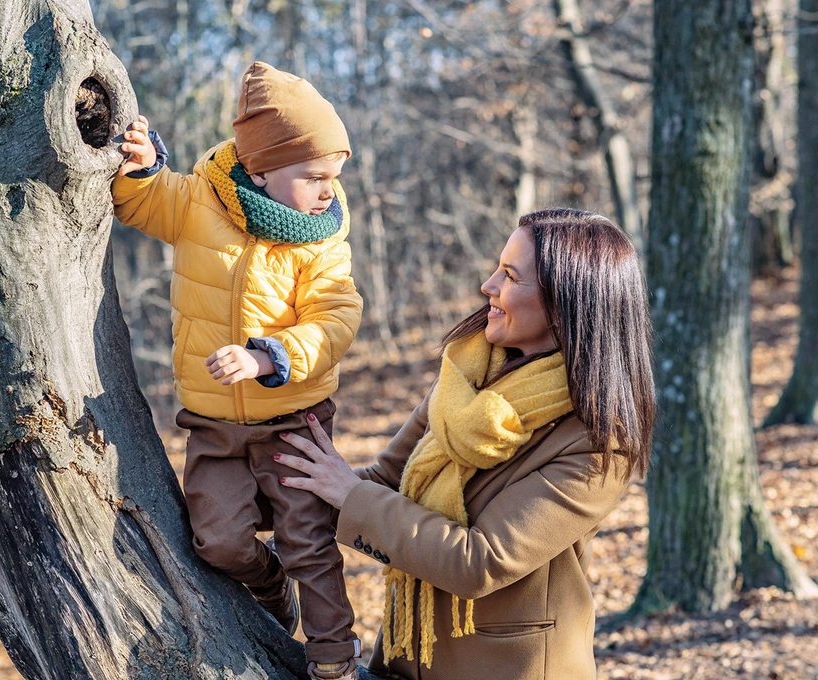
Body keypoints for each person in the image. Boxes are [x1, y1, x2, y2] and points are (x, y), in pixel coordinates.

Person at [275, 208, 655, 680]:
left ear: (566, 304)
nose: (488, 286)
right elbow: (385, 481)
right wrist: (262, 499)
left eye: (510, 276)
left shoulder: (598, 443)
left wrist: (348, 494)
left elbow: (479, 561)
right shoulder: (465, 378)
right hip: (408, 657)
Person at [112, 61, 364, 680]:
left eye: (333, 176)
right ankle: (271, 586)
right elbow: (146, 202)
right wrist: (141, 167)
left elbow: (336, 316)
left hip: (294, 422)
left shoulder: (320, 240)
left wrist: (268, 355)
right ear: (260, 170)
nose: (328, 191)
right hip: (215, 425)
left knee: (309, 539)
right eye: (313, 176)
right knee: (218, 542)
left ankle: (334, 655)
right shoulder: (199, 199)